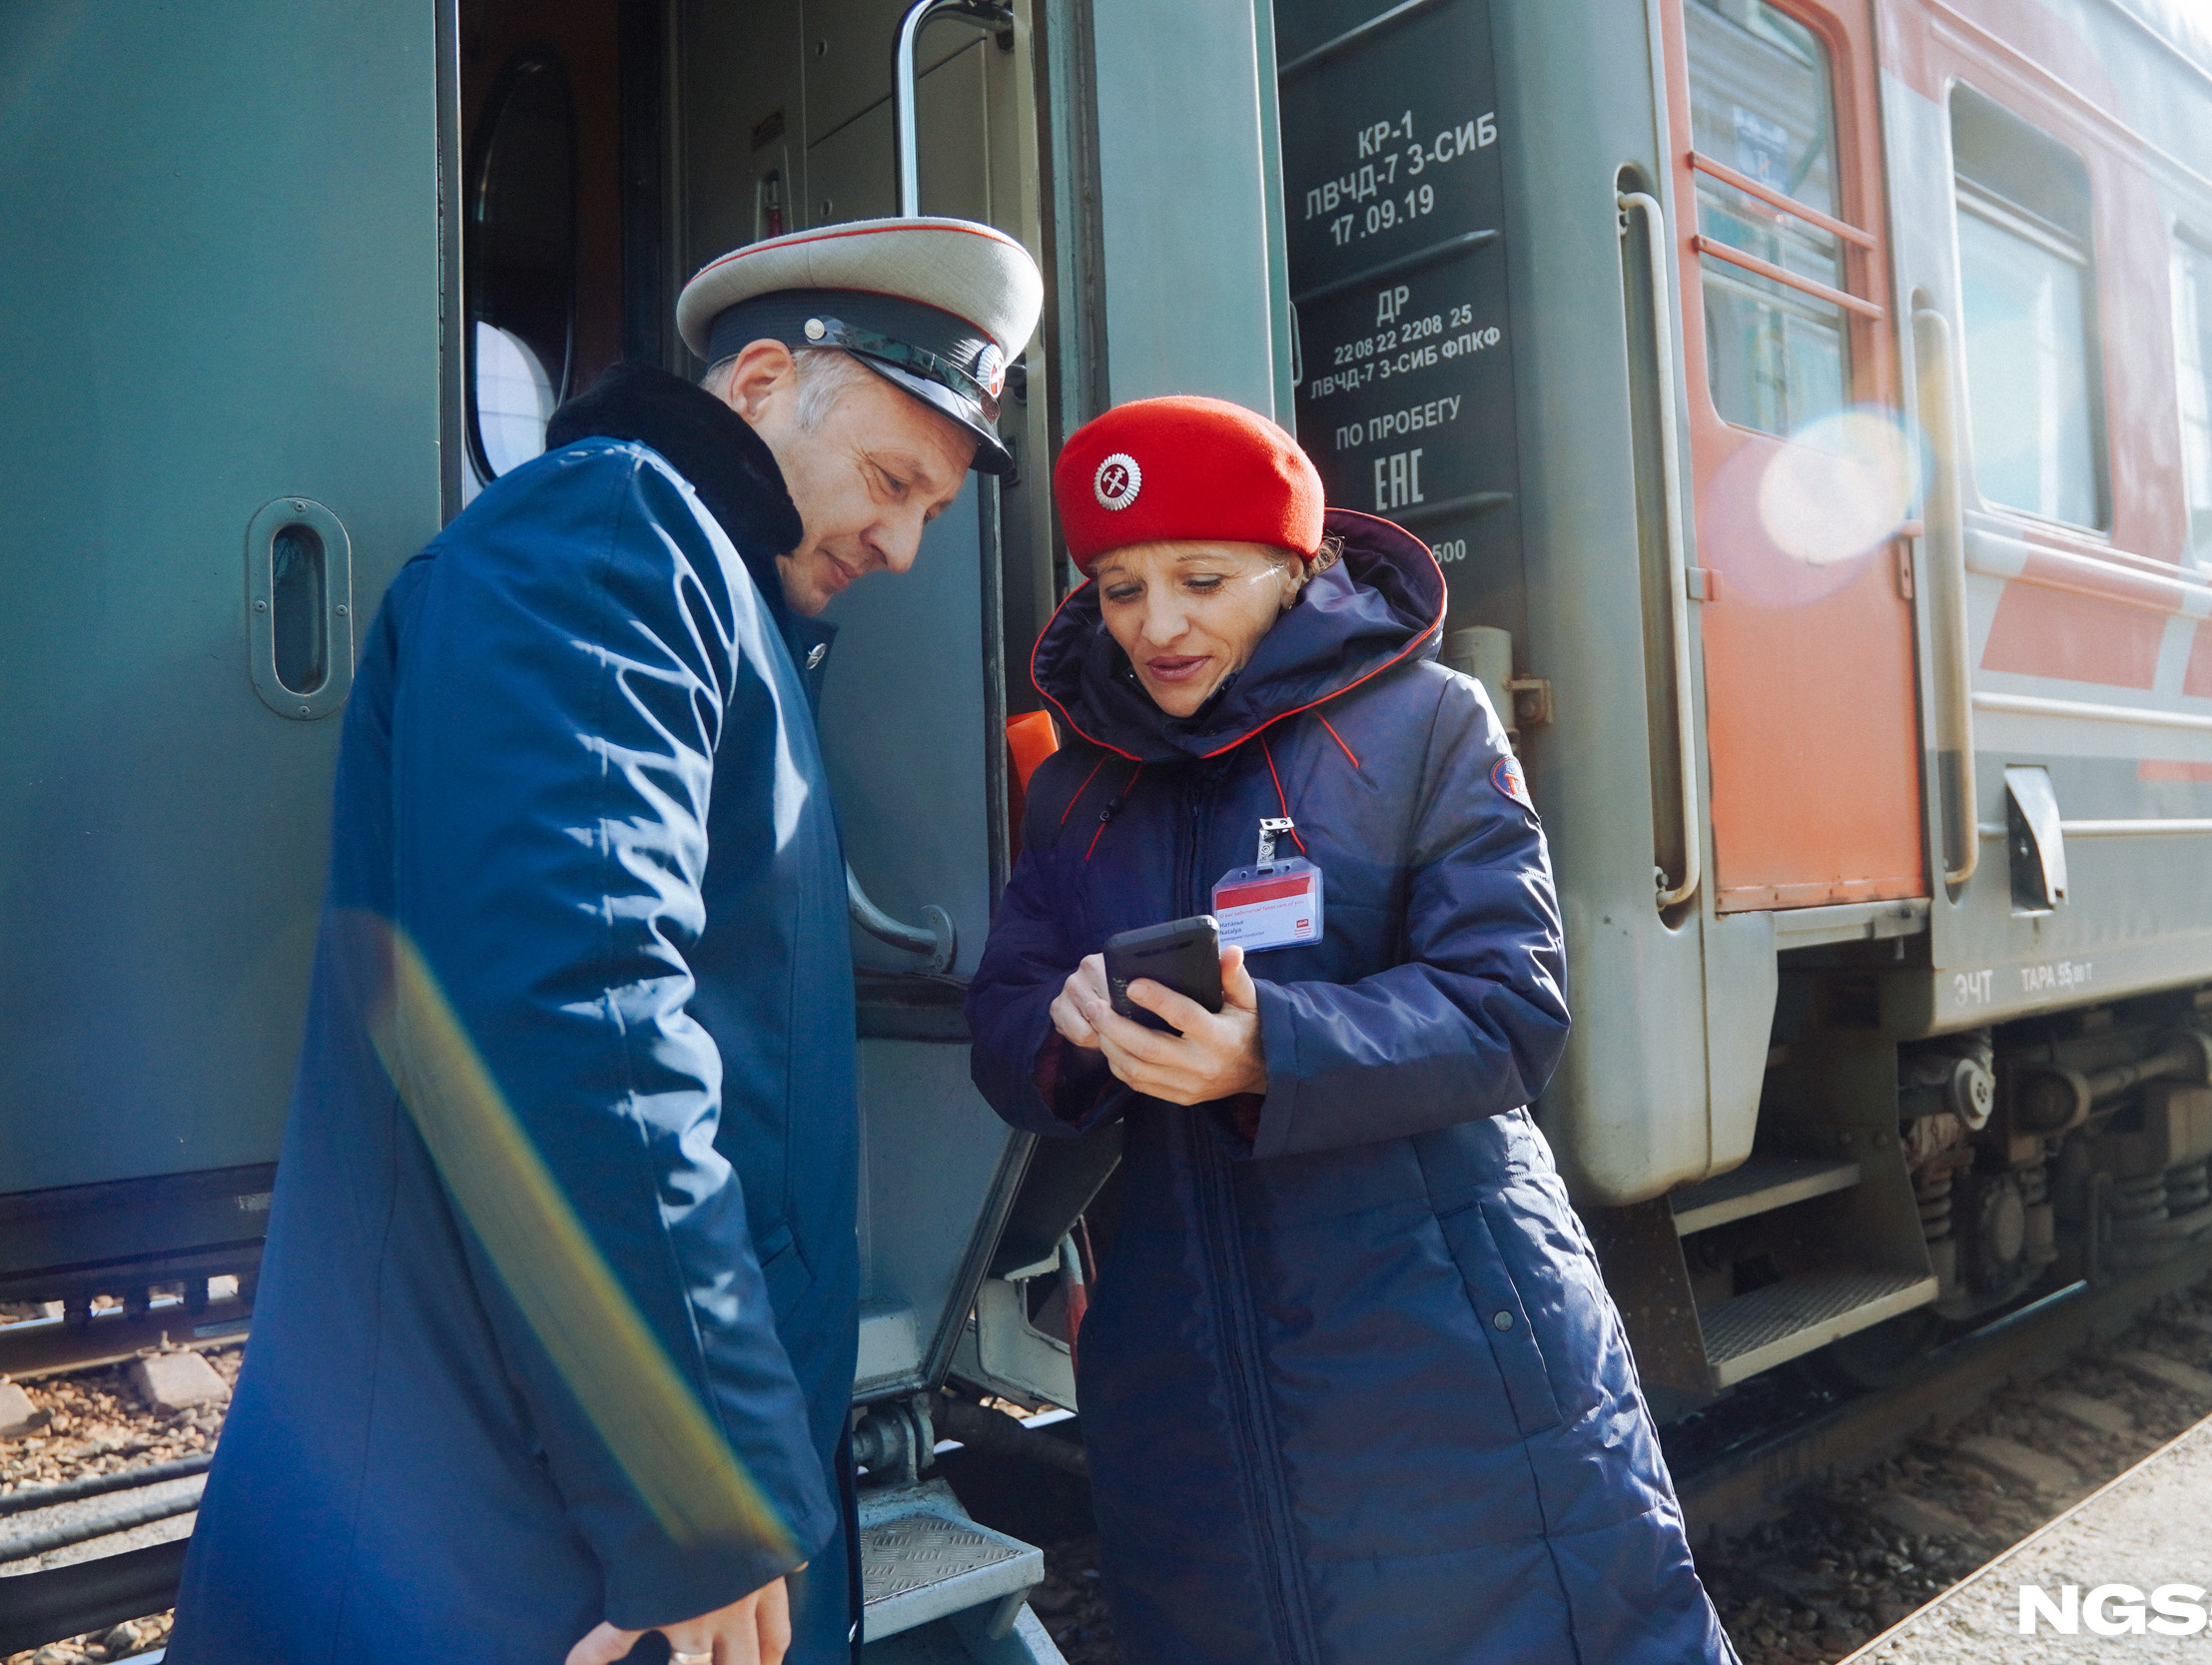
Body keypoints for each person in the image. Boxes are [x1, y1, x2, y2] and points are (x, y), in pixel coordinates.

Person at [171, 218, 1041, 1665]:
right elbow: (581, 1014)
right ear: (762, 378)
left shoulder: (701, 584)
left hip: (527, 1508)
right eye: (894, 481)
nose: (899, 543)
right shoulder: (615, 538)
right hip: (516, 1537)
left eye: (932, 513)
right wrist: (689, 1480)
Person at [965, 397, 1739, 1664]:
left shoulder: (1428, 721)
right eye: (1116, 587)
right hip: (1184, 1360)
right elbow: (1004, 1015)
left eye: (1201, 578)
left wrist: (1278, 1045)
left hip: (1440, 1331)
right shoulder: (1075, 784)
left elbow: (1509, 1002)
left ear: (1293, 566)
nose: (1156, 625)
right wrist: (1069, 1028)